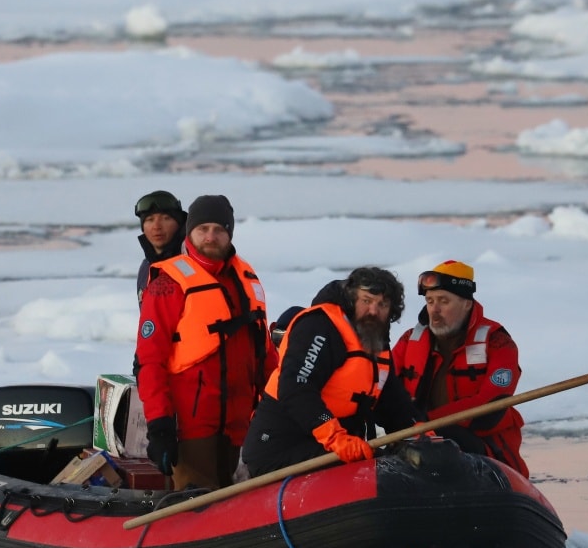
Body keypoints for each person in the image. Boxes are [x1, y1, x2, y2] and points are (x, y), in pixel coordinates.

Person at [135, 194, 274, 490]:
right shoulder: (166, 285)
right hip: (192, 430)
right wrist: (159, 427)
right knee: (196, 511)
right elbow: (149, 362)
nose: (211, 236)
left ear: (229, 234)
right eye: (203, 229)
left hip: (242, 428)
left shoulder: (246, 280)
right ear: (190, 233)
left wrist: (277, 408)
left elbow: (265, 353)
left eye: (219, 229)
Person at [242, 267, 419, 477]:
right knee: (373, 472)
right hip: (282, 445)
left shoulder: (375, 340)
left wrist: (418, 434)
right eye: (367, 301)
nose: (373, 311)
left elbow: (392, 403)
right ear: (352, 298)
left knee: (397, 468)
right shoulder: (320, 326)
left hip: (332, 445)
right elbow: (296, 387)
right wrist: (335, 438)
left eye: (382, 304)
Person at [392, 260, 529, 477]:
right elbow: (382, 388)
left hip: (481, 448)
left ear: (466, 303)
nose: (434, 311)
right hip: (417, 441)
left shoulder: (498, 342)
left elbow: (490, 407)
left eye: (443, 301)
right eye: (430, 301)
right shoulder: (410, 341)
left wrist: (428, 422)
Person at [133, 190, 187, 307]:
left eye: (166, 218)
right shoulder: (146, 268)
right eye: (150, 220)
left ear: (179, 223)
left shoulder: (191, 264)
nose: (157, 227)